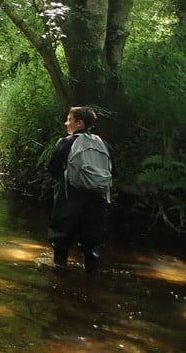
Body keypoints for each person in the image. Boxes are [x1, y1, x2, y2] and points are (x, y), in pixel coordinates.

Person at [46, 106, 115, 273]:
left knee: (61, 237)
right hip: (98, 198)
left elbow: (52, 167)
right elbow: (114, 172)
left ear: (79, 123)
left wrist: (65, 182)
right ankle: (91, 276)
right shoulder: (104, 145)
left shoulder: (66, 142)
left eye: (69, 120)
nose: (66, 123)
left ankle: (59, 272)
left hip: (70, 196)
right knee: (92, 241)